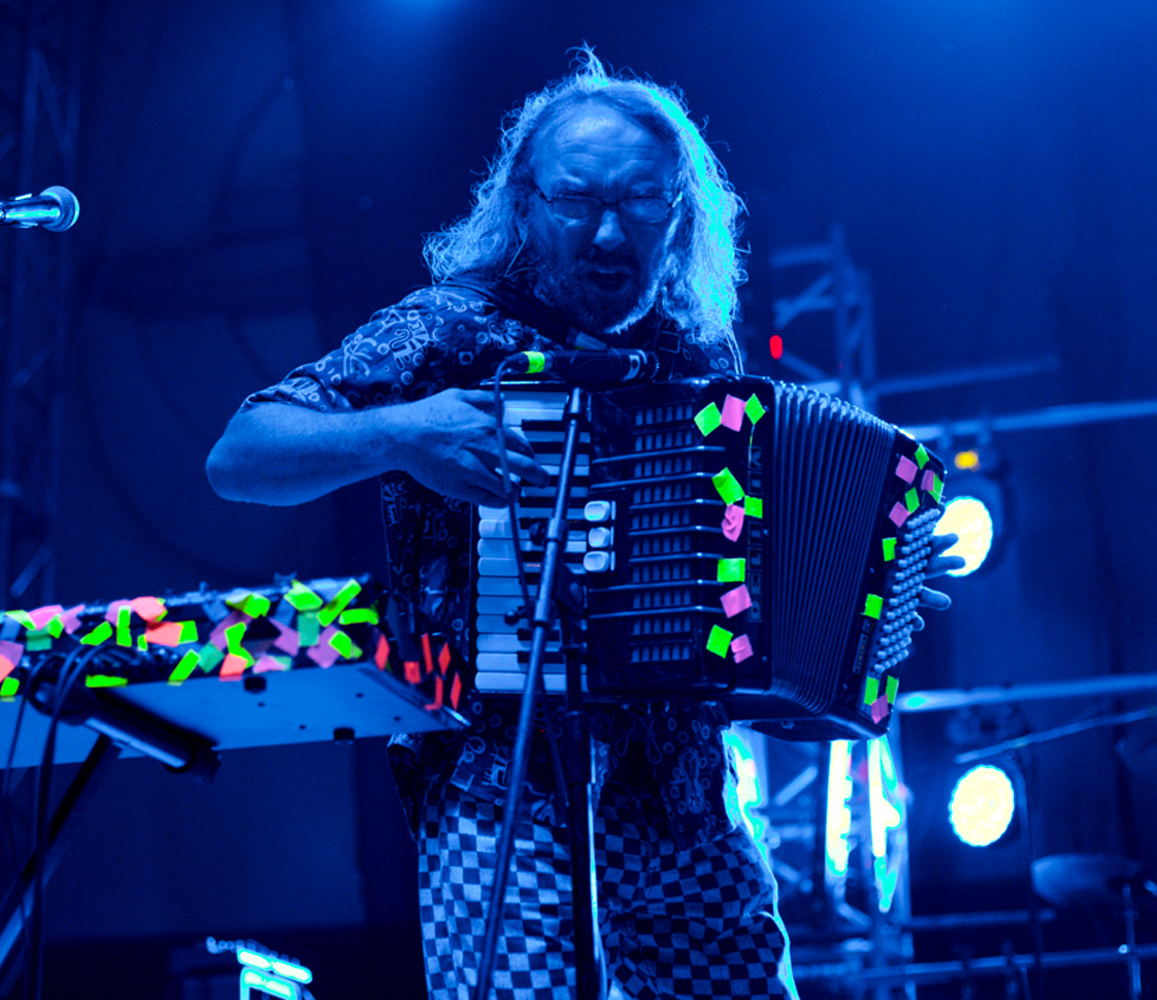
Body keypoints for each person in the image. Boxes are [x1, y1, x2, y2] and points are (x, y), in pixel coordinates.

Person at [208, 51, 953, 1000]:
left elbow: (727, 601)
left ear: (680, 215)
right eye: (576, 200)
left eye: (641, 200)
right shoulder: (450, 332)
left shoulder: (694, 356)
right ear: (525, 205)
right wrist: (404, 433)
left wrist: (854, 614)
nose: (608, 231)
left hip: (685, 802)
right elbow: (241, 454)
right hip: (505, 792)